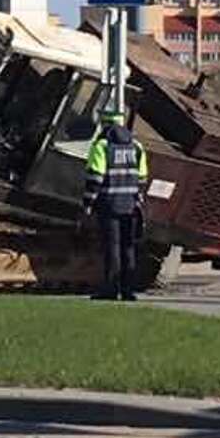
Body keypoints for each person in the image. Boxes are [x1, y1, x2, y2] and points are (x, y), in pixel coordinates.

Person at [84, 109, 148, 302]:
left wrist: (88, 202)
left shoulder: (102, 146)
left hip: (109, 205)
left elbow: (95, 177)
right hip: (130, 207)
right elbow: (143, 177)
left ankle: (110, 289)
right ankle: (128, 290)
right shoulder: (136, 146)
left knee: (112, 248)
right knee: (128, 248)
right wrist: (138, 200)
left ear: (104, 124)